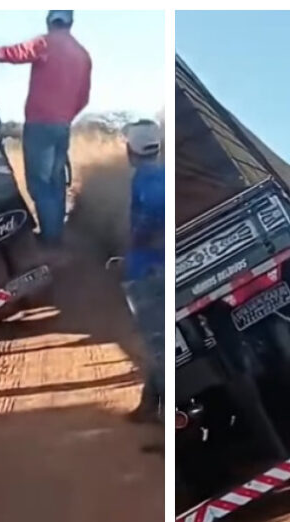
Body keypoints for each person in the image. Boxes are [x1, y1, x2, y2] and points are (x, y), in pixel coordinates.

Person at [0, 10, 92, 260]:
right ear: (71, 23)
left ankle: (51, 242)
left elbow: (3, 54)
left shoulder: (44, 44)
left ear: (50, 20)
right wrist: (65, 116)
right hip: (62, 126)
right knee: (56, 182)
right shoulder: (83, 55)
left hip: (40, 124)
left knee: (40, 185)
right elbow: (83, 98)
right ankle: (56, 234)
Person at [122, 119, 164, 425]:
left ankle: (154, 408)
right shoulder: (158, 174)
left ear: (130, 151)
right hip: (153, 268)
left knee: (157, 343)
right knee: (159, 343)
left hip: (149, 272)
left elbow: (154, 212)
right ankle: (150, 403)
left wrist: (138, 239)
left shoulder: (147, 178)